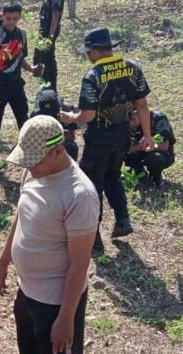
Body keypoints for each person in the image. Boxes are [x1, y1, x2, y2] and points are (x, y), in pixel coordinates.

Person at [0, 115, 98, 354]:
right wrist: (3, 264)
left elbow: (79, 264)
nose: (28, 167)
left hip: (55, 304)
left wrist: (66, 318)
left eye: (34, 160)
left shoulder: (79, 195)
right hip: (27, 296)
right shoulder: (35, 173)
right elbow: (21, 217)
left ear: (58, 150)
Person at [60, 27, 154, 253]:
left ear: (93, 51)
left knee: (92, 185)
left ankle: (93, 238)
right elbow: (142, 105)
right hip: (122, 133)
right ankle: (123, 219)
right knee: (113, 174)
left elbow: (88, 116)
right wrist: (148, 135)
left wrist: (69, 117)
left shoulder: (93, 76)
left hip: (99, 137)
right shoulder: (133, 68)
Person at [0, 2, 36, 171]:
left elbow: (20, 58)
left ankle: (29, 155)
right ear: (2, 16)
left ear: (19, 17)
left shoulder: (22, 35)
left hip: (16, 85)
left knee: (23, 119)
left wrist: (31, 69)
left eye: (15, 18)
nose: (11, 22)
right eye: (7, 18)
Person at [125, 107, 175, 186]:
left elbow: (164, 146)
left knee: (155, 157)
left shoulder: (158, 118)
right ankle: (140, 175)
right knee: (122, 151)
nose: (130, 123)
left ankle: (156, 176)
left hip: (163, 153)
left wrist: (146, 145)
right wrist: (139, 146)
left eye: (132, 119)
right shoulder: (131, 126)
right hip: (142, 151)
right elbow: (129, 148)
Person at [35, 0, 64, 91]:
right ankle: (45, 87)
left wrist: (50, 38)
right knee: (41, 56)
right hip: (45, 30)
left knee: (47, 59)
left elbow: (56, 14)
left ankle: (50, 88)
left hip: (48, 32)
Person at [32, 85, 79, 161]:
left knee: (71, 147)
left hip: (61, 142)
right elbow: (32, 138)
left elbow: (71, 136)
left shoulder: (66, 109)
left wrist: (57, 138)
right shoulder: (35, 114)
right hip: (43, 143)